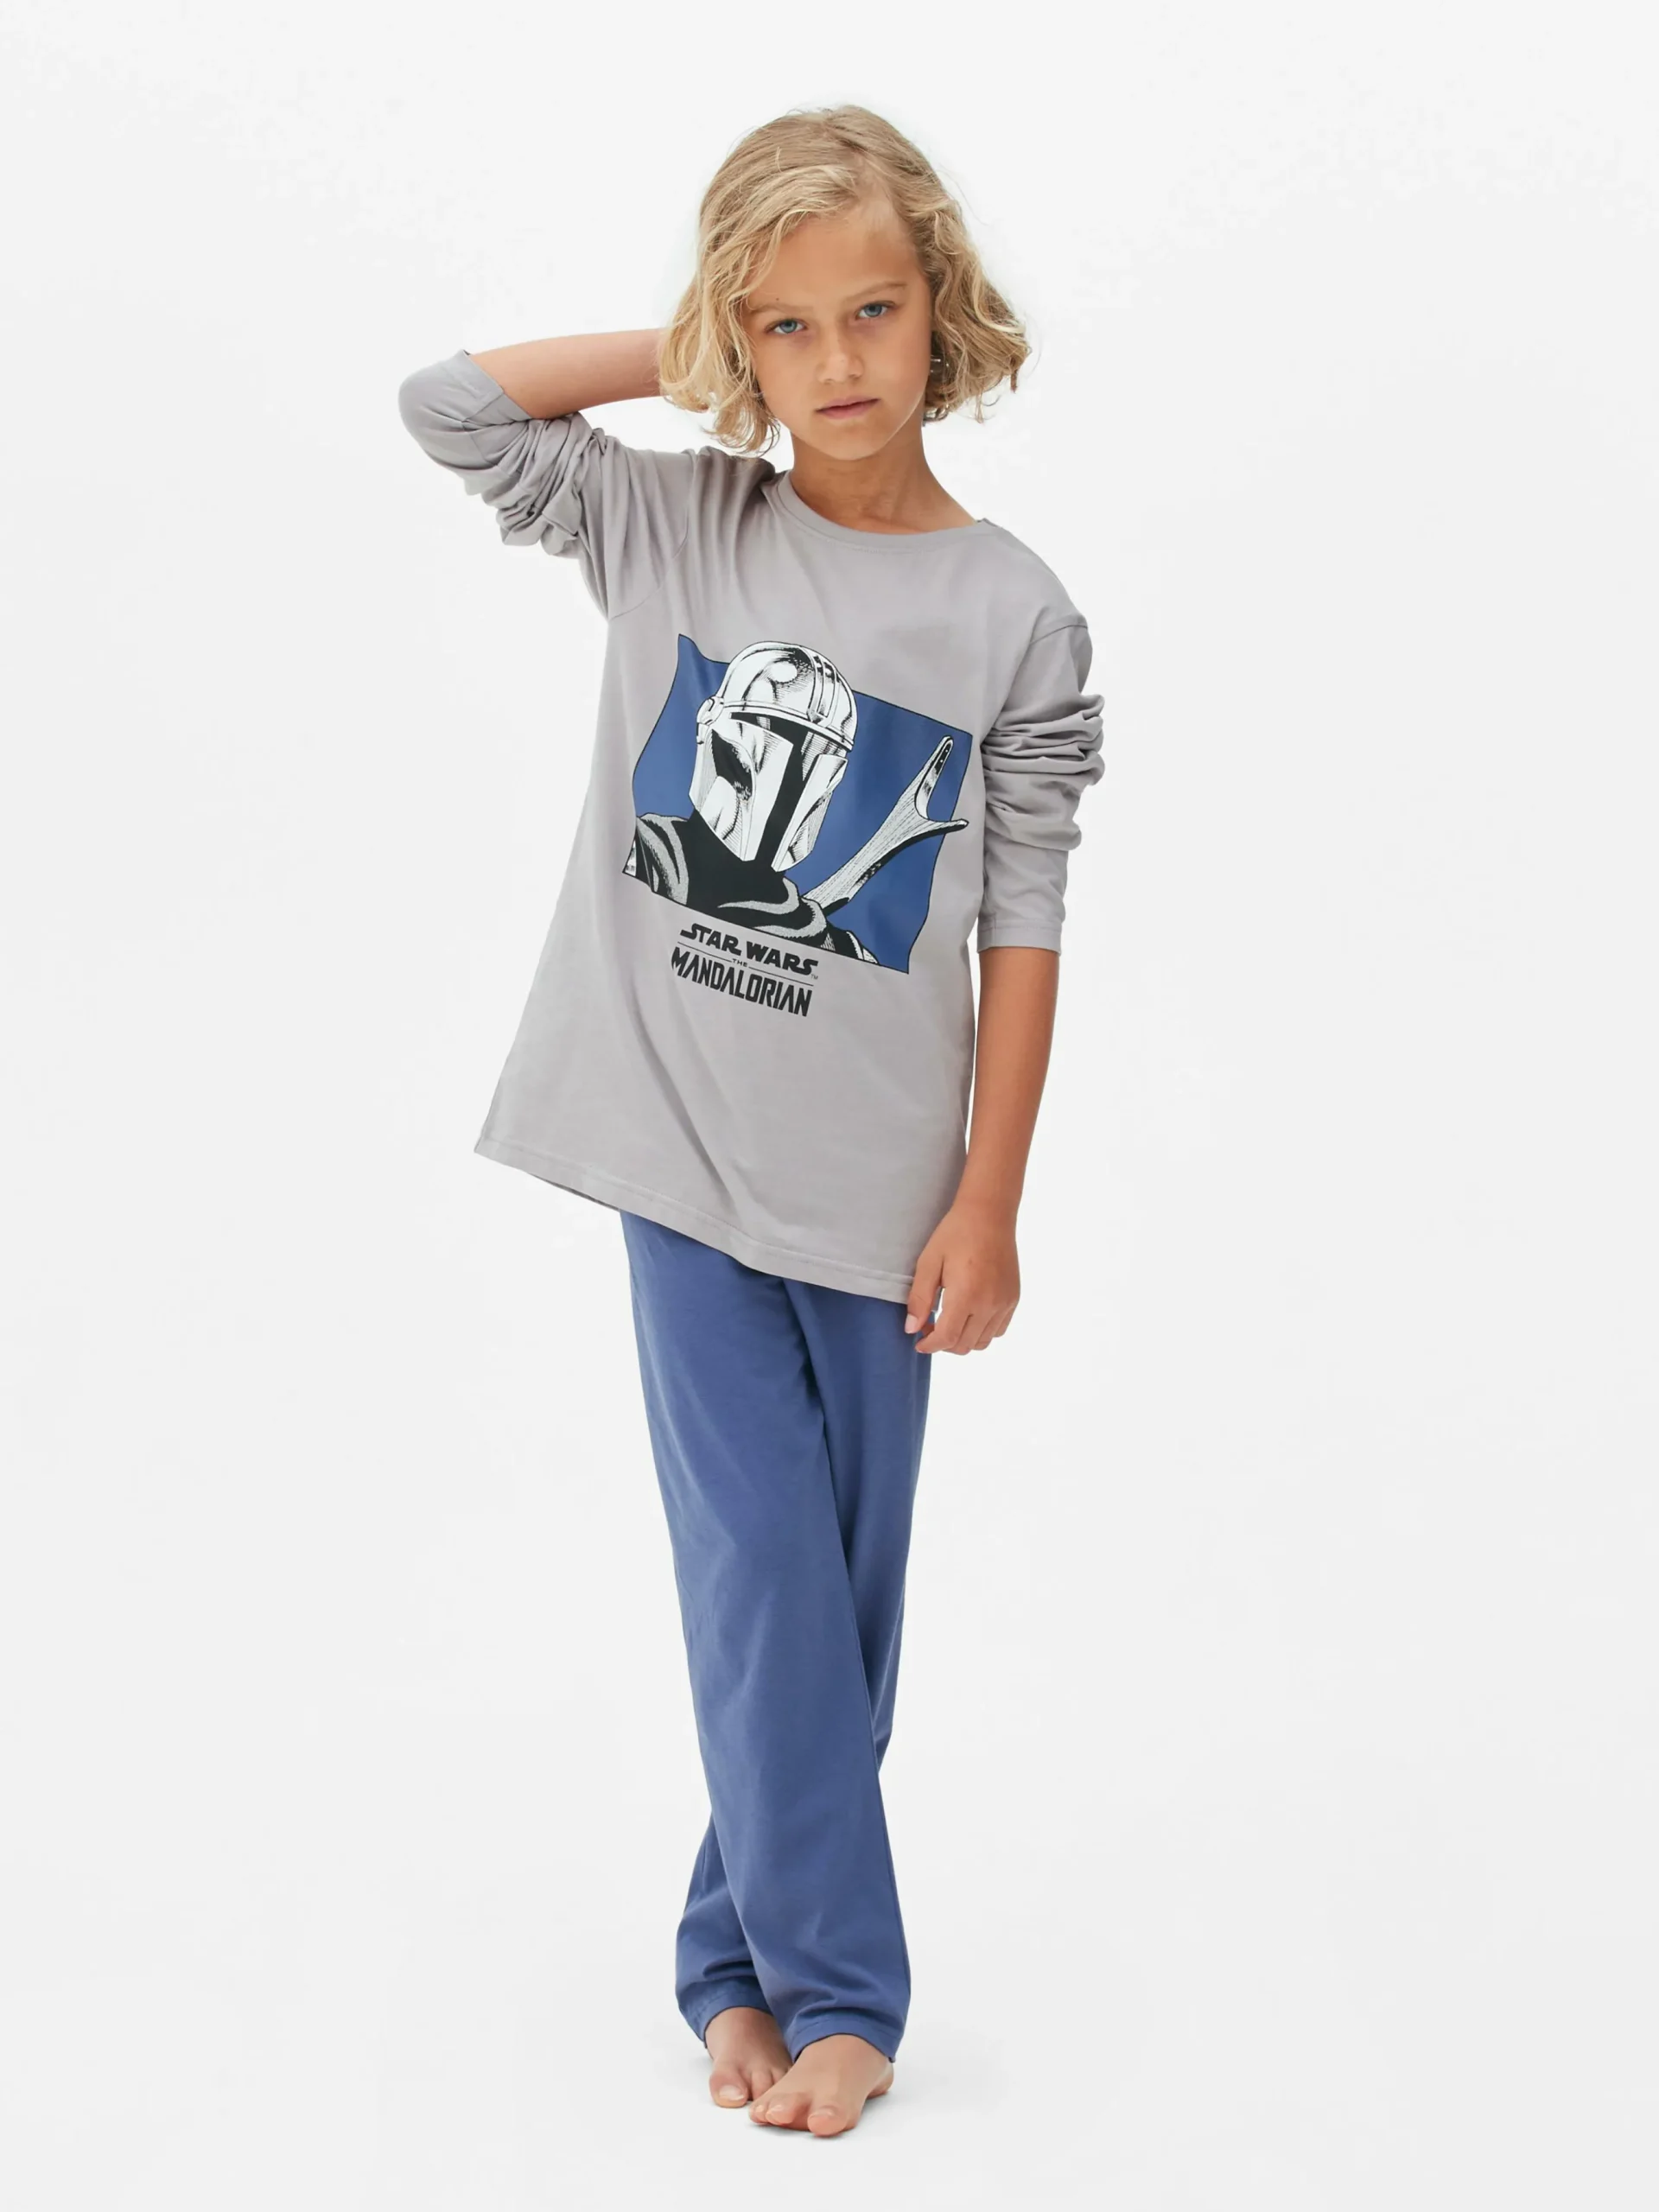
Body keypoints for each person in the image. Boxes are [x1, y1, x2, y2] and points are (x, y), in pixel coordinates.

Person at [396, 103, 1107, 2139]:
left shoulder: (1012, 611)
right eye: (783, 326)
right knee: (765, 1582)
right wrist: (691, 347)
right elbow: (452, 406)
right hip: (680, 1162)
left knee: (834, 1602)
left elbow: (1028, 918)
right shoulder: (676, 527)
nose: (836, 360)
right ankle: (847, 1992)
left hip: (884, 1199)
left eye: (871, 309)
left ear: (938, 306)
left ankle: (731, 1954)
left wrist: (990, 1197)